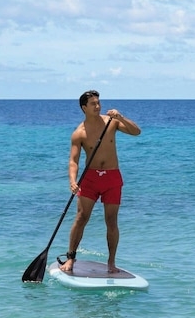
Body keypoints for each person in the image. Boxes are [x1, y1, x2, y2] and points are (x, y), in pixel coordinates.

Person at [58, 90, 141, 274]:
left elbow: (137, 132)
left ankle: (111, 263)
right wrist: (72, 180)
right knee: (81, 218)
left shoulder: (111, 122)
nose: (97, 106)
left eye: (98, 102)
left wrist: (121, 117)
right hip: (90, 179)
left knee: (111, 221)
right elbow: (73, 161)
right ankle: (70, 258)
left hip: (112, 177)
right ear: (84, 108)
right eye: (93, 103)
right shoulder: (79, 133)